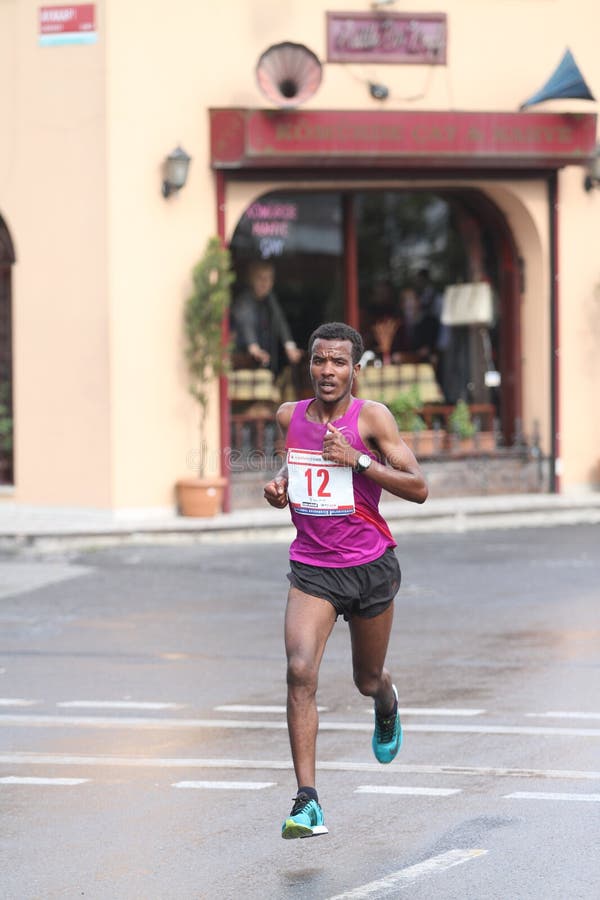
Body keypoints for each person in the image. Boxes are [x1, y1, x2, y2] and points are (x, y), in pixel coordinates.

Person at [263, 322, 428, 840]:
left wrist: (357, 460)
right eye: (318, 361)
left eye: (337, 362)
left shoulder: (372, 418)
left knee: (365, 678)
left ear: (355, 369)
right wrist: (279, 487)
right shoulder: (290, 416)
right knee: (298, 669)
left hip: (369, 566)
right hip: (312, 567)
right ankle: (307, 801)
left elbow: (419, 487)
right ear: (308, 364)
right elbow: (296, 469)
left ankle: (385, 701)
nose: (326, 371)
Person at [230, 260, 302, 375]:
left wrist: (289, 346)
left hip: (263, 361)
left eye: (269, 279)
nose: (265, 283)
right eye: (260, 278)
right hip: (243, 362)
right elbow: (246, 323)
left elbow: (280, 320)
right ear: (251, 279)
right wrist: (253, 347)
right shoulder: (243, 302)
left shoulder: (269, 299)